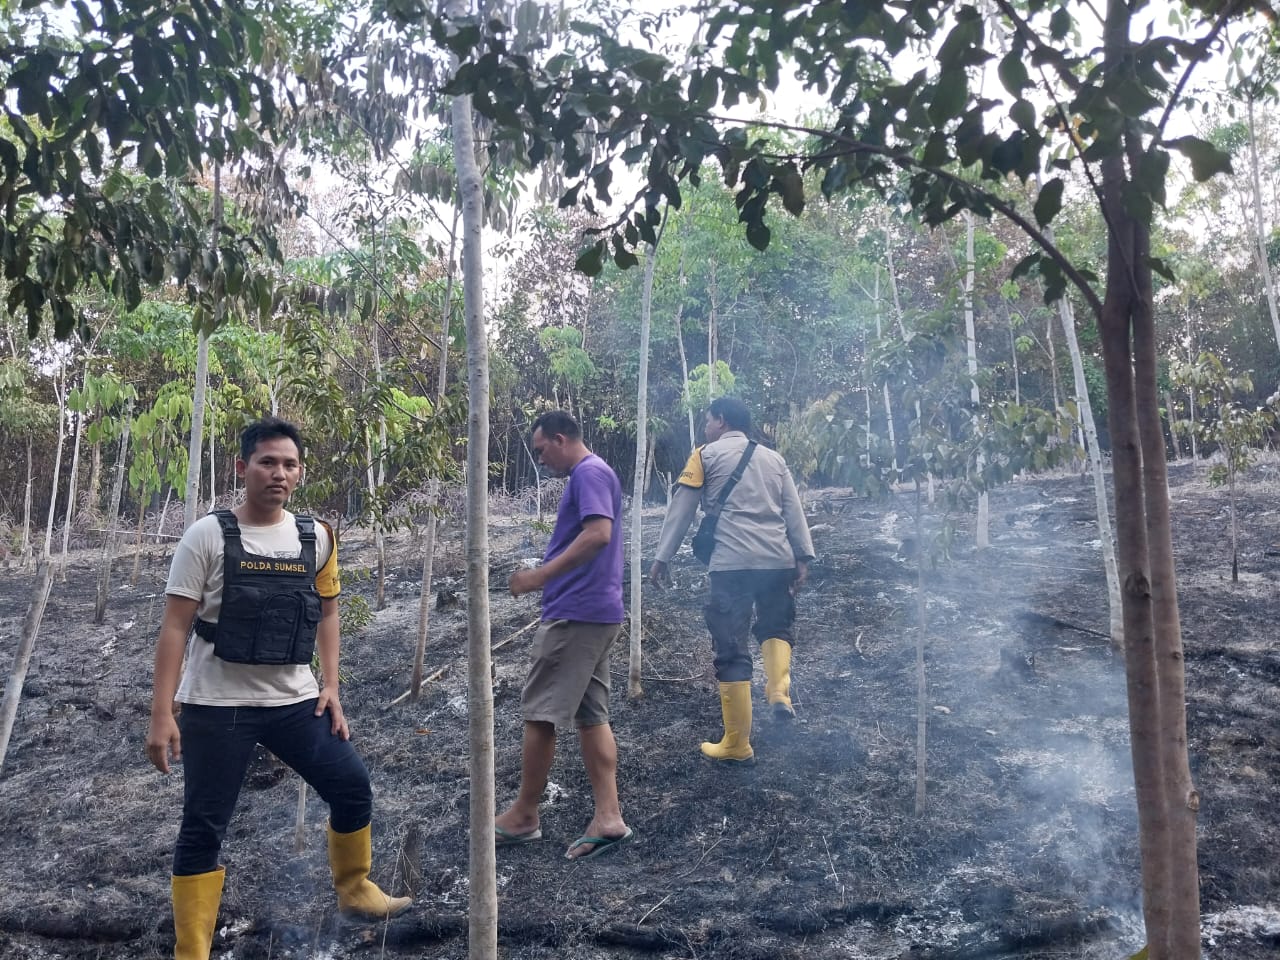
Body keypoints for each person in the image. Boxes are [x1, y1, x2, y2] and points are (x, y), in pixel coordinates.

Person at [145, 417, 409, 960]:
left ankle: (355, 890)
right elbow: (175, 626)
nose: (279, 474)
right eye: (267, 462)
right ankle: (191, 948)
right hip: (217, 706)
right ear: (242, 468)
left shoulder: (316, 537)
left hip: (293, 700)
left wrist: (331, 685)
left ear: (300, 472)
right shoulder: (207, 536)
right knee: (204, 826)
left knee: (352, 785)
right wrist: (161, 713)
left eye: (289, 464)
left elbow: (329, 613)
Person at [494, 410, 634, 861]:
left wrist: (539, 577)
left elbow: (597, 534)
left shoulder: (589, 473)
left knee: (540, 712)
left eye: (541, 451)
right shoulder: (597, 473)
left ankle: (524, 816)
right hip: (598, 612)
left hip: (576, 614)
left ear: (559, 439)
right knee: (592, 714)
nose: (541, 461)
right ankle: (608, 817)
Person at [648, 396, 815, 763]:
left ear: (721, 421)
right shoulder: (775, 459)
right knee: (776, 626)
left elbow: (682, 510)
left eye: (708, 420)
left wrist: (662, 558)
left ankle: (737, 744)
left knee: (731, 646)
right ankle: (779, 693)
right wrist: (803, 557)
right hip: (777, 560)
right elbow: (793, 510)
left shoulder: (704, 455)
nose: (705, 427)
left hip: (732, 565)